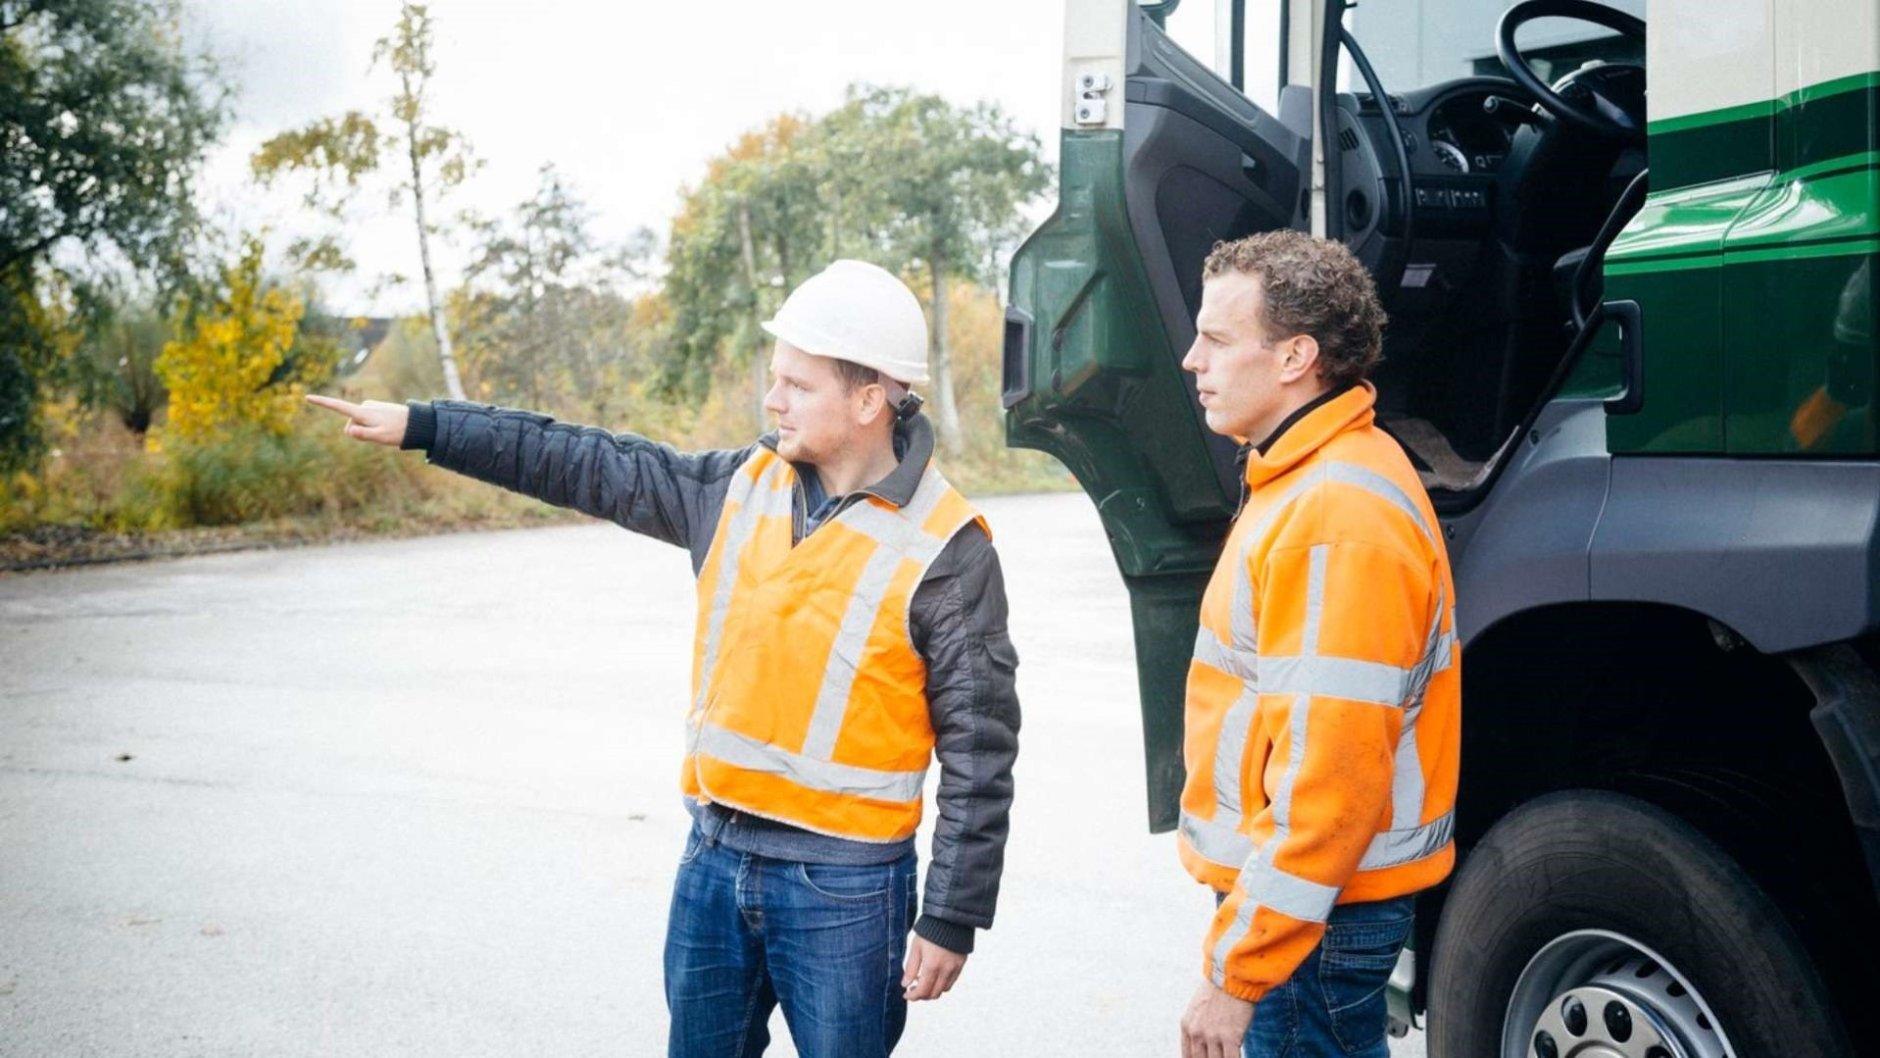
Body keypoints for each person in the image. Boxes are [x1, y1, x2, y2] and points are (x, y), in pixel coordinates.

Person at [308, 259, 1021, 1058]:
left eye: (797, 384)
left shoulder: (945, 550)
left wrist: (951, 914)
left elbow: (978, 750)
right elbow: (580, 459)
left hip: (846, 893)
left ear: (867, 398)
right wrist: (428, 425)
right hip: (713, 863)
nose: (772, 398)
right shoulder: (733, 491)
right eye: (774, 379)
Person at [1172, 231, 1460, 1058]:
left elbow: (1329, 780)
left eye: (1218, 340)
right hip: (1311, 907)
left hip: (1313, 919)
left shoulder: (1333, 513)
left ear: (1296, 355)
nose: (1193, 360)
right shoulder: (1306, 476)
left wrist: (1239, 971)